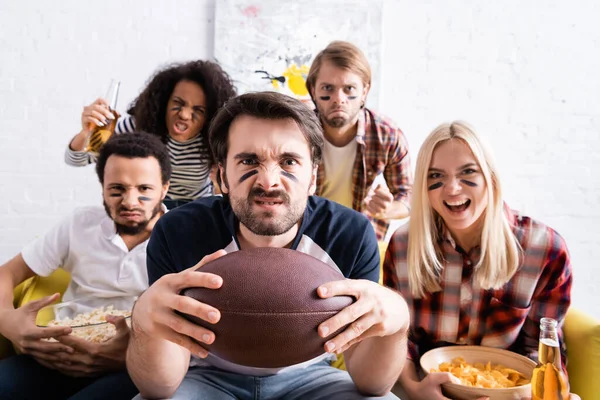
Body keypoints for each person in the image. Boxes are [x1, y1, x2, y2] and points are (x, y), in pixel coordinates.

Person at [126, 92, 411, 400]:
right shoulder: (178, 232)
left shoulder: (349, 234)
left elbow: (371, 385)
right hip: (206, 376)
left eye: (288, 161)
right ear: (222, 174)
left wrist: (397, 324)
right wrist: (142, 322)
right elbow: (158, 387)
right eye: (249, 160)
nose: (269, 181)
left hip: (313, 377)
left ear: (313, 176)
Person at [383, 121, 577, 400]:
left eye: (468, 173)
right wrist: (415, 390)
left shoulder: (546, 249)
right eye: (436, 175)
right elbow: (400, 338)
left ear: (491, 177)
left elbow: (540, 351)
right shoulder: (403, 245)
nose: (452, 189)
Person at [0, 133, 171, 400]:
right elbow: (7, 273)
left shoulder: (180, 237)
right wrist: (6, 320)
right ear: (102, 187)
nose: (129, 201)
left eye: (144, 190)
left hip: (132, 365)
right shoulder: (80, 224)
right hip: (61, 354)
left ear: (164, 189)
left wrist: (133, 353)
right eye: (117, 189)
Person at [65, 60, 236, 208]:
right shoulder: (138, 127)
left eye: (198, 110)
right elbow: (76, 160)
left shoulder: (216, 138)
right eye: (178, 103)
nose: (184, 114)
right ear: (164, 101)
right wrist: (87, 132)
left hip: (197, 209)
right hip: (150, 211)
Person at [306, 41, 413, 241]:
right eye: (328, 88)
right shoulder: (297, 133)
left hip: (359, 239)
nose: (339, 99)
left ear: (364, 91)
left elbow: (409, 195)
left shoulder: (387, 135)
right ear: (313, 90)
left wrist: (387, 209)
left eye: (349, 89)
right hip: (307, 238)